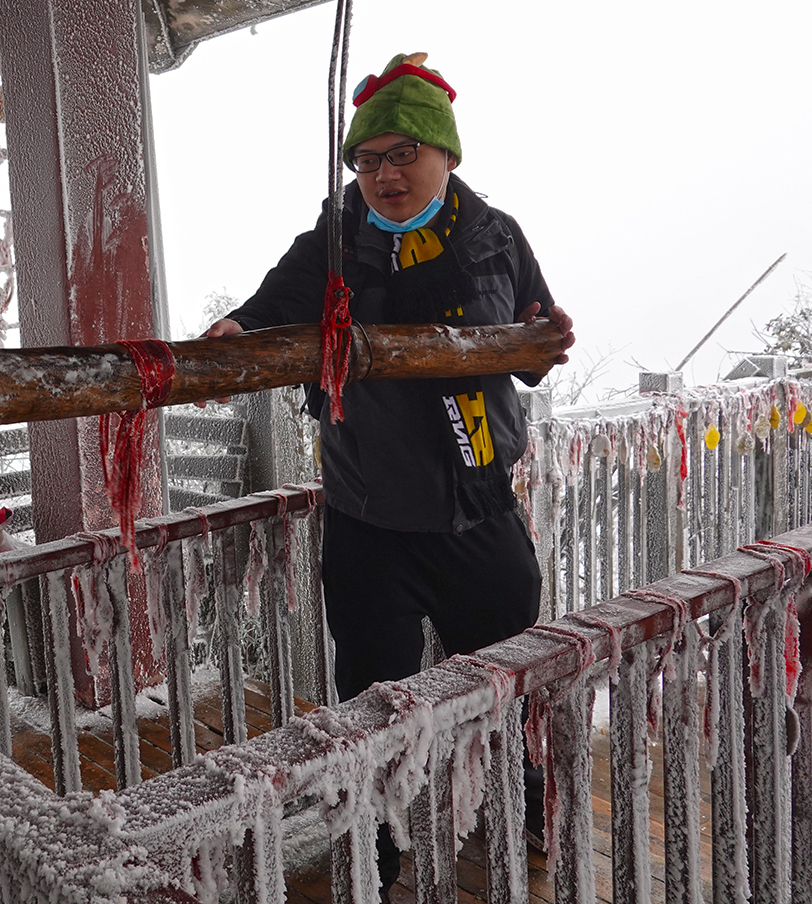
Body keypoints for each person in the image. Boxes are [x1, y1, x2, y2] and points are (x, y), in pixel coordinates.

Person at [202, 52, 574, 893]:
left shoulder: (496, 238)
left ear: (447, 155)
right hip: (370, 521)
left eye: (403, 153)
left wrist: (549, 331)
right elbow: (258, 319)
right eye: (368, 160)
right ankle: (371, 844)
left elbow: (536, 344)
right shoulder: (330, 246)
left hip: (481, 510)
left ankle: (518, 805)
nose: (384, 174)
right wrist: (229, 332)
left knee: (502, 683)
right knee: (371, 703)